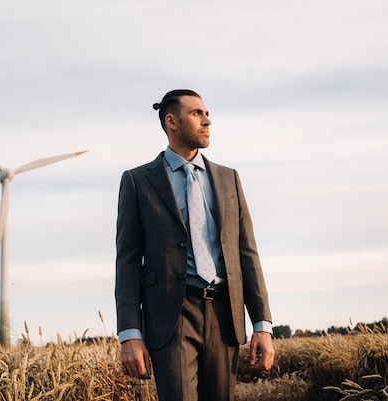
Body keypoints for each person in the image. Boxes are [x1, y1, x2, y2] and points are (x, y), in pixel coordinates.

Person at [115, 89, 275, 401]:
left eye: (207, 113)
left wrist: (262, 325)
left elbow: (247, 254)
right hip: (170, 316)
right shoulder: (138, 181)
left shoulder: (229, 178)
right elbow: (128, 262)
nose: (208, 120)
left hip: (224, 313)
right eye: (197, 113)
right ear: (171, 121)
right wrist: (130, 334)